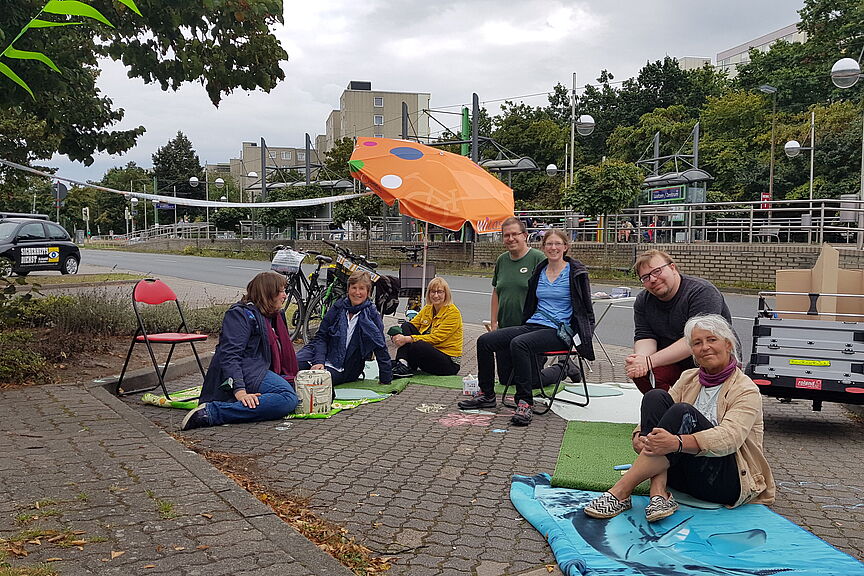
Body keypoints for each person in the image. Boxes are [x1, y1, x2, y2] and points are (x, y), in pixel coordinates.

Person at [584, 314, 775, 522]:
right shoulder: (688, 377)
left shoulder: (746, 389)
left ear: (728, 345)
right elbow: (661, 418)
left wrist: (677, 442)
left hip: (724, 482)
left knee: (683, 412)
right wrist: (639, 435)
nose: (705, 347)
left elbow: (730, 438)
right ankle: (658, 494)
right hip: (683, 475)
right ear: (692, 351)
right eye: (697, 343)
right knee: (655, 397)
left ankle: (621, 491)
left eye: (712, 340)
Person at [458, 230, 595, 426]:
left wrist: (584, 337)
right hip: (534, 324)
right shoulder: (540, 271)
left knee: (519, 343)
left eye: (557, 244)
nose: (553, 248)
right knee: (485, 341)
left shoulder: (576, 273)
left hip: (560, 331)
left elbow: (586, 309)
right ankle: (487, 394)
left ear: (565, 247)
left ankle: (524, 402)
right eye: (549, 244)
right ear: (543, 247)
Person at [181, 271, 300, 430]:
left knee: (300, 386)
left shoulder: (274, 316)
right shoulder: (241, 315)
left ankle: (251, 403)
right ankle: (210, 413)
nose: (285, 296)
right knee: (287, 399)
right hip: (247, 371)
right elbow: (230, 355)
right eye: (281, 291)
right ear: (268, 293)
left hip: (260, 367)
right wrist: (240, 391)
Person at [625, 249, 732, 394]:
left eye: (657, 271)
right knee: (640, 371)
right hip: (672, 362)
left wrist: (650, 361)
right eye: (645, 277)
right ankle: (664, 404)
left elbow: (696, 341)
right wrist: (640, 361)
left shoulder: (702, 292)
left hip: (708, 359)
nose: (653, 279)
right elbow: (645, 336)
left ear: (672, 268)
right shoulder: (643, 301)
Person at [296, 271, 392, 386]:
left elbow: (380, 345)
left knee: (318, 380)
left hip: (345, 366)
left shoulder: (372, 315)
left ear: (368, 292)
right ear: (348, 289)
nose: (357, 292)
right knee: (293, 367)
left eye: (361, 288)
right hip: (321, 355)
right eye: (354, 288)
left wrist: (385, 378)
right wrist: (319, 361)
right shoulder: (338, 307)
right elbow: (321, 337)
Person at [390, 277, 463, 378]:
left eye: (439, 292)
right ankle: (403, 363)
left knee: (418, 344)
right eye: (433, 292)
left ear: (446, 294)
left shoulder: (453, 313)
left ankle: (404, 364)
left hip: (448, 362)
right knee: (406, 326)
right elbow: (412, 325)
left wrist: (407, 339)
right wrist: (398, 335)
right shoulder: (428, 308)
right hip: (429, 353)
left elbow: (436, 338)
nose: (435, 295)